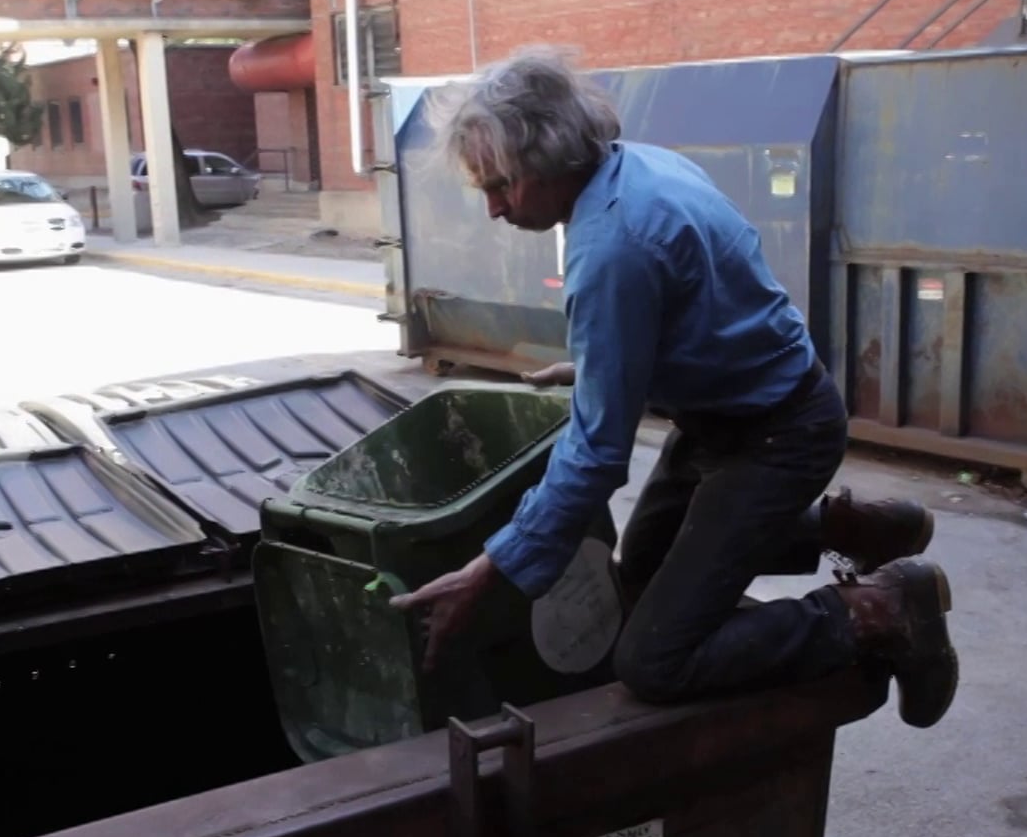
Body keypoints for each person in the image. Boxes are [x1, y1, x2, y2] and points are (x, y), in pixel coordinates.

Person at [387, 46, 959, 727]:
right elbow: (702, 307)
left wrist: (492, 570)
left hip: (777, 437)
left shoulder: (612, 248)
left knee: (655, 660)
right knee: (642, 572)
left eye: (501, 185)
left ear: (549, 161)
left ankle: (880, 608)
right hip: (737, 410)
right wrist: (607, 366)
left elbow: (598, 456)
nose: (493, 208)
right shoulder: (640, 167)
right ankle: (852, 526)